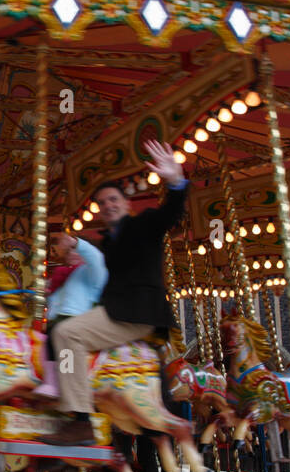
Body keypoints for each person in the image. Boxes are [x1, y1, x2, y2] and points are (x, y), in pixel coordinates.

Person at [41, 141, 188, 445]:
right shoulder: (109, 242)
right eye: (102, 202)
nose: (107, 205)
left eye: (113, 199)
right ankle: (72, 401)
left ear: (127, 203)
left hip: (137, 311)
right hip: (118, 309)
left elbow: (170, 214)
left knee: (68, 334)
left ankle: (80, 420)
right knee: (61, 335)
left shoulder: (144, 224)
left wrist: (175, 181)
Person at [34, 230, 108, 399]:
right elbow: (55, 300)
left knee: (62, 343)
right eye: (69, 252)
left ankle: (63, 382)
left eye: (76, 251)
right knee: (45, 344)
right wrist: (45, 294)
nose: (72, 254)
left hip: (77, 319)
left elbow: (95, 258)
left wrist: (78, 244)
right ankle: (51, 382)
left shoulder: (93, 273)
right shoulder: (65, 277)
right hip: (57, 320)